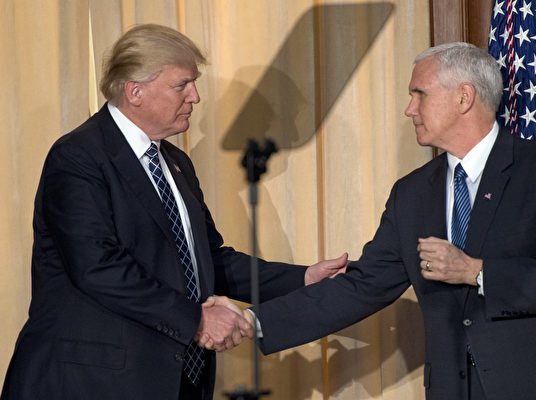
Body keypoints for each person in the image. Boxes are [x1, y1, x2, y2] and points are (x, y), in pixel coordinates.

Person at [233, 42, 536, 399]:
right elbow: (361, 287)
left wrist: (477, 271)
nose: (409, 109)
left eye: (419, 94)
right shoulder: (411, 194)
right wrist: (251, 321)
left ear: (463, 97)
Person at [0, 24, 347, 400]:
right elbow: (97, 267)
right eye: (182, 85)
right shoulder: (79, 157)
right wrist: (196, 318)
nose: (195, 97)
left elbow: (209, 262)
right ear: (135, 91)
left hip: (172, 378)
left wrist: (303, 278)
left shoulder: (175, 161)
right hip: (91, 382)